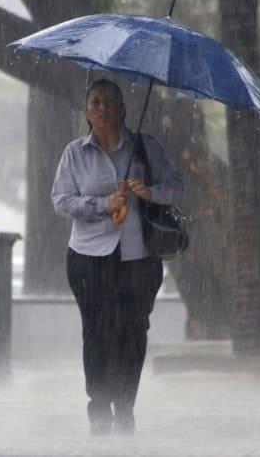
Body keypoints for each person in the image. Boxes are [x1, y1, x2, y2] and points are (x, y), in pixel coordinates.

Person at [51, 78, 182, 435]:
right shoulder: (74, 153)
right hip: (88, 257)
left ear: (124, 109)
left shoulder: (144, 147)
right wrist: (102, 204)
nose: (102, 108)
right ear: (87, 112)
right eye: (95, 102)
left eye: (110, 102)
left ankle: (125, 405)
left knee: (132, 332)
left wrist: (149, 192)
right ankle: (99, 406)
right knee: (97, 332)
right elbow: (61, 199)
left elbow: (175, 186)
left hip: (138, 259)